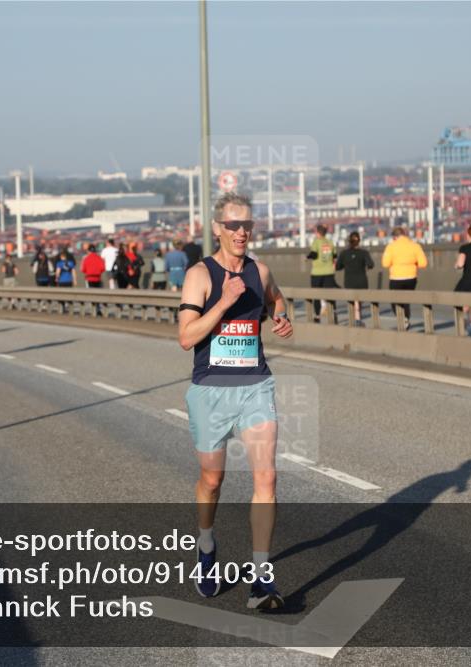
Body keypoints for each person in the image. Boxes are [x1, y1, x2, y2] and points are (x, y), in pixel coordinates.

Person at [177, 191, 293, 611]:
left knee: (267, 479)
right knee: (212, 480)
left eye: (247, 225)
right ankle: (206, 543)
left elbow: (277, 297)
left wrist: (280, 315)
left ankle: (261, 580)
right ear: (217, 229)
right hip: (210, 388)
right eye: (233, 225)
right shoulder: (199, 275)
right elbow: (186, 336)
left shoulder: (260, 271)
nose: (241, 232)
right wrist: (224, 302)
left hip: (255, 385)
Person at [381, 226, 428, 326]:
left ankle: (403, 320)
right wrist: (413, 264)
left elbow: (385, 264)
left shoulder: (391, 246)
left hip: (396, 278)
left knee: (395, 300)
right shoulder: (415, 246)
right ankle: (406, 318)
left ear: (395, 237)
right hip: (411, 278)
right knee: (406, 300)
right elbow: (423, 263)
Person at [336, 231, 374, 326]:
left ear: (349, 241)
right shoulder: (364, 253)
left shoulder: (344, 253)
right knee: (359, 301)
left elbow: (338, 267)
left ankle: (355, 318)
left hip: (349, 281)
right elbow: (371, 264)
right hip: (362, 280)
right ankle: (358, 318)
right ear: (359, 241)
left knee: (352, 301)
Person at [307, 224, 338, 323]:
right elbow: (335, 256)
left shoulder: (316, 242)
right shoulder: (330, 242)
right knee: (331, 295)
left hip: (317, 273)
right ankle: (334, 314)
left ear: (317, 232)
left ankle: (317, 316)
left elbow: (314, 254)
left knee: (316, 295)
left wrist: (307, 257)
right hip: (329, 272)